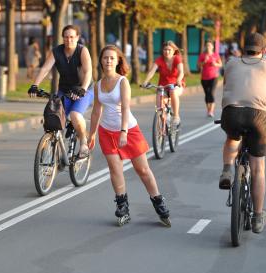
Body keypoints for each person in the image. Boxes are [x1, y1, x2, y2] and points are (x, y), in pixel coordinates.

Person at [87, 45, 170, 226]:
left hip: (129, 130)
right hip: (106, 131)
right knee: (115, 170)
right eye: (105, 58)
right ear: (100, 61)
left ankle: (158, 201)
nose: (108, 61)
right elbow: (96, 111)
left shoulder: (122, 81)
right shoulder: (98, 85)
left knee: (142, 170)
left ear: (117, 62)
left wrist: (123, 131)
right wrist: (91, 134)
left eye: (112, 58)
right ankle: (122, 205)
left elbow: (125, 108)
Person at [218, 33, 266, 234]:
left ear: (245, 48)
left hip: (231, 112)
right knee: (258, 168)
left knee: (232, 138)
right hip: (256, 116)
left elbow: (228, 86)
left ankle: (227, 170)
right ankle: (257, 217)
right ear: (263, 50)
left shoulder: (230, 63)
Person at [28, 25, 93, 158]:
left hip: (84, 89)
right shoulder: (56, 51)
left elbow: (88, 72)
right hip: (64, 89)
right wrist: (35, 85)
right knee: (53, 116)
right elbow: (45, 69)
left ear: (77, 38)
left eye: (72, 37)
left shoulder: (82, 51)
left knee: (75, 115)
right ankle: (57, 148)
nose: (69, 40)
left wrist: (83, 89)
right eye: (66, 37)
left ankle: (83, 143)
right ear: (63, 38)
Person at [141, 40, 185, 128]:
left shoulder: (177, 58)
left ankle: (176, 116)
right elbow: (152, 72)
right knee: (159, 108)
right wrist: (146, 81)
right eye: (165, 49)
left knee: (173, 91)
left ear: (173, 51)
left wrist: (179, 80)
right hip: (163, 87)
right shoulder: (159, 60)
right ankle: (163, 128)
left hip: (176, 85)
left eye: (169, 50)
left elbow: (181, 72)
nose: (167, 52)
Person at [197, 40, 223, 118]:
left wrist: (215, 64)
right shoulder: (202, 55)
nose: (208, 47)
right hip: (204, 77)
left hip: (213, 77)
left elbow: (220, 64)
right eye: (207, 45)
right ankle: (208, 110)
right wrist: (204, 61)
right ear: (205, 47)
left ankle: (211, 111)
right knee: (207, 94)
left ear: (212, 47)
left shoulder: (215, 55)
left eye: (209, 45)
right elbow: (198, 65)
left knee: (211, 92)